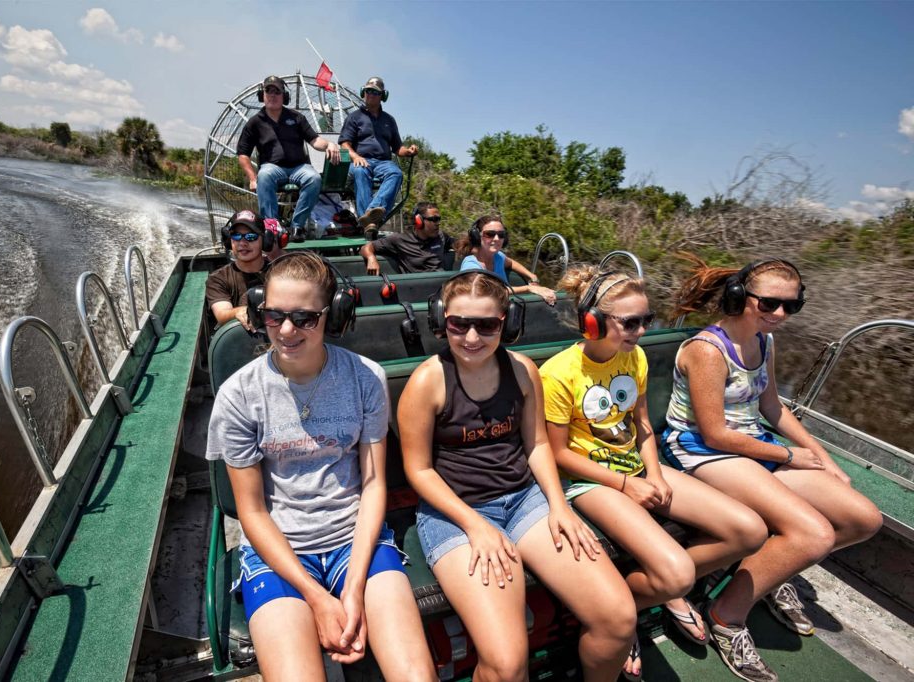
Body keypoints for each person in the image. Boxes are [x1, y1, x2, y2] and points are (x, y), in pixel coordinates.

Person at [206, 251, 436, 681]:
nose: (287, 330)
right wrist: (317, 597)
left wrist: (352, 589)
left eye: (305, 318)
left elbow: (372, 485)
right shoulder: (240, 394)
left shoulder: (365, 378)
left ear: (333, 316)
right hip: (279, 554)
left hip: (356, 541)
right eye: (274, 316)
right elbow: (252, 512)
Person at [398, 270, 636, 682]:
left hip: (524, 499)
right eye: (459, 324)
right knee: (507, 665)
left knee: (617, 619)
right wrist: (476, 526)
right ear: (443, 322)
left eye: (486, 325)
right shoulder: (428, 382)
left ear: (505, 323)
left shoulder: (523, 370)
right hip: (456, 513)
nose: (472, 337)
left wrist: (559, 506)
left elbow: (539, 444)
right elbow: (418, 470)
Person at [539, 266, 768, 681]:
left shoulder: (634, 356)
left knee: (749, 531)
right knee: (677, 573)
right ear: (592, 321)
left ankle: (635, 601)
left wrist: (656, 473)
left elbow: (642, 424)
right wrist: (626, 484)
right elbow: (558, 454)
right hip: (592, 479)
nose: (641, 330)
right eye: (630, 322)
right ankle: (621, 615)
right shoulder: (557, 373)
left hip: (639, 466)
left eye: (647, 320)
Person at [660, 256, 882, 682]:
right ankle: (727, 616)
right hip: (703, 450)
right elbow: (714, 434)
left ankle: (767, 575)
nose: (779, 314)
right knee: (815, 534)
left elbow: (772, 406)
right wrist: (789, 457)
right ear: (742, 297)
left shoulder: (764, 341)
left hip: (756, 445)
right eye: (770, 304)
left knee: (862, 519)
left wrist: (823, 457)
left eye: (791, 306)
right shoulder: (708, 351)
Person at [237, 75, 340, 236]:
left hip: (299, 167)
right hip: (272, 168)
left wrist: (329, 144)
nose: (272, 95)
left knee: (314, 179)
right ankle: (272, 227)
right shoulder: (254, 123)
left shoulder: (296, 117)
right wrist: (252, 177)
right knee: (263, 176)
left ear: (284, 96)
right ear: (262, 95)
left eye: (277, 92)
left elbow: (314, 141)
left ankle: (296, 226)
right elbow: (243, 154)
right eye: (268, 91)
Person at [338, 76, 418, 228]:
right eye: (368, 91)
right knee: (360, 171)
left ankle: (369, 215)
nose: (370, 94)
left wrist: (408, 151)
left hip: (383, 163)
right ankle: (369, 221)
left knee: (396, 173)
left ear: (383, 96)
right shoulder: (354, 117)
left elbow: (397, 148)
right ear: (363, 92)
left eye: (375, 92)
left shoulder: (389, 120)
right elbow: (344, 144)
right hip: (361, 161)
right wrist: (355, 157)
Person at [457, 215, 558, 306]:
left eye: (501, 235)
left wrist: (532, 276)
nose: (496, 238)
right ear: (477, 237)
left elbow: (511, 263)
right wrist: (528, 288)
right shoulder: (470, 264)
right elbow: (484, 292)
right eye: (490, 234)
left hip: (504, 308)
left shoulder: (498, 257)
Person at [206, 209, 272, 329]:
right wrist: (238, 312)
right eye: (236, 236)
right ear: (228, 241)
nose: (242, 243)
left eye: (250, 236)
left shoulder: (281, 272)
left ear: (265, 240)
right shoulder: (218, 278)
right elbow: (222, 313)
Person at [360, 202, 453, 275]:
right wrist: (371, 258)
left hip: (442, 286)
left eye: (439, 219)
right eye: (434, 219)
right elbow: (366, 247)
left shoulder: (441, 236)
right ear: (419, 221)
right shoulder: (399, 239)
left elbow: (459, 244)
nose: (438, 223)